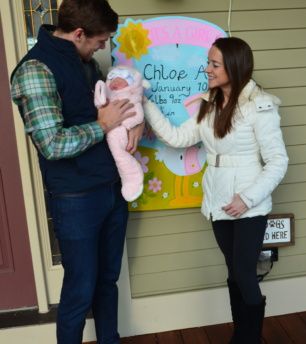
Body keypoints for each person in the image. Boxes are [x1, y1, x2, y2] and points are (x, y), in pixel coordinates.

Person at [10, 1, 143, 343]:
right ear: (79, 33)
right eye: (100, 41)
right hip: (76, 199)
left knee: (107, 281)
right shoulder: (35, 70)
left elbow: (111, 111)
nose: (103, 48)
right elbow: (52, 144)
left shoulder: (89, 65)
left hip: (112, 188)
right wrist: (102, 126)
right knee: (79, 291)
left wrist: (132, 125)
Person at [143, 37, 289, 343]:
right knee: (234, 272)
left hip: (249, 204)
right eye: (208, 62)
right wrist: (145, 103)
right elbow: (176, 137)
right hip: (218, 201)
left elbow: (278, 162)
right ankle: (241, 336)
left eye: (214, 64)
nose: (206, 68)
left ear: (234, 67)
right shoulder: (209, 104)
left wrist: (246, 198)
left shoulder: (258, 106)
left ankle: (250, 338)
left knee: (246, 274)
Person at [95, 65, 150, 202]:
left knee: (120, 155)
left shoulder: (132, 98)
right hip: (96, 175)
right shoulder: (108, 94)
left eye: (120, 80)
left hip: (119, 134)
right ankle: (131, 179)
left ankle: (132, 179)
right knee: (120, 156)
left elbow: (137, 114)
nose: (115, 82)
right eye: (112, 79)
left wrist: (132, 124)